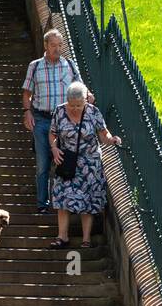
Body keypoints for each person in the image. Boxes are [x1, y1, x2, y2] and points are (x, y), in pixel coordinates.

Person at [22, 30, 91, 214]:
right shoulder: (35, 66)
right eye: (53, 45)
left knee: (64, 161)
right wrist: (27, 112)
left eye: (60, 45)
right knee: (43, 163)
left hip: (64, 121)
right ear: (46, 46)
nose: (57, 49)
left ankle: (62, 202)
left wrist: (88, 94)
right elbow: (27, 93)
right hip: (42, 119)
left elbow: (80, 85)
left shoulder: (69, 64)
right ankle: (42, 203)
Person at [49, 82, 120, 247]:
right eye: (72, 105)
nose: (75, 108)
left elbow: (103, 133)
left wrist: (111, 139)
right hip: (67, 161)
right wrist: (54, 148)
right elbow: (52, 133)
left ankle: (86, 239)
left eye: (79, 105)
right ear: (67, 101)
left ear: (86, 101)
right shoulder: (59, 111)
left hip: (90, 163)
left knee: (87, 200)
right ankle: (62, 236)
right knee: (63, 197)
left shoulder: (93, 112)